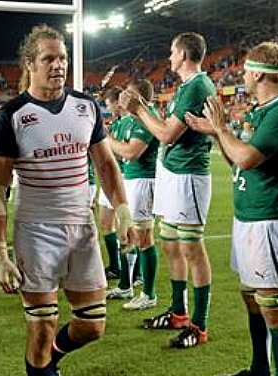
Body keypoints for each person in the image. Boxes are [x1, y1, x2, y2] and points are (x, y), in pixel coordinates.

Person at [0, 24, 135, 376]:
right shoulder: (11, 116)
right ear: (29, 64)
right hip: (36, 230)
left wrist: (121, 210)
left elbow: (106, 166)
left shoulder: (87, 107)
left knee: (93, 326)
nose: (59, 65)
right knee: (41, 327)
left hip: (82, 228)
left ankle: (51, 365)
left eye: (62, 58)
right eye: (49, 58)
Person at [186, 41, 278, 376]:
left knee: (274, 306)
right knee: (252, 298)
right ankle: (259, 371)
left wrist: (221, 127)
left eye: (246, 70)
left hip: (270, 220)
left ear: (257, 73)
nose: (242, 76)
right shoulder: (263, 111)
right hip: (250, 218)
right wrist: (216, 133)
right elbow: (236, 162)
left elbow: (249, 158)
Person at [121, 32, 216, 348]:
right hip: (173, 175)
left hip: (189, 176)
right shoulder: (187, 87)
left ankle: (199, 325)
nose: (169, 57)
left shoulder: (198, 86)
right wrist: (144, 108)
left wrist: (138, 110)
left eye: (173, 51)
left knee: (192, 249)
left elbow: (165, 134)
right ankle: (178, 312)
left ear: (185, 55)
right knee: (171, 244)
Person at [110, 79, 160, 311]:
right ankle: (126, 286)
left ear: (139, 97)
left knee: (144, 238)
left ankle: (148, 294)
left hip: (143, 181)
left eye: (129, 93)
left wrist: (106, 140)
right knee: (127, 235)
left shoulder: (146, 118)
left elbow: (131, 152)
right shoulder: (131, 119)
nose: (124, 97)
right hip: (130, 180)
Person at [103, 86, 137, 299]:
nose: (109, 109)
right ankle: (117, 268)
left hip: (126, 180)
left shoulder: (131, 122)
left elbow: (126, 151)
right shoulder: (116, 123)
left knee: (129, 230)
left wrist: (106, 140)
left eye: (109, 104)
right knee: (107, 224)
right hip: (110, 179)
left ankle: (133, 276)